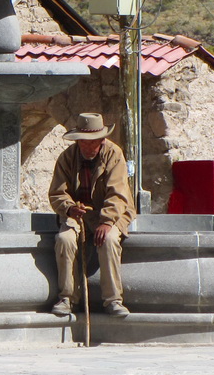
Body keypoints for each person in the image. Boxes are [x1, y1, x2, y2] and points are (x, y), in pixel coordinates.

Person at [48, 113, 136, 317]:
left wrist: (106, 222)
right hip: (80, 213)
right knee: (64, 238)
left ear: (102, 140)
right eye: (83, 142)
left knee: (109, 239)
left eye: (92, 143)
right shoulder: (67, 157)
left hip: (113, 212)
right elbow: (57, 193)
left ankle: (113, 300)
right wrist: (69, 208)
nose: (87, 147)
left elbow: (118, 194)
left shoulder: (114, 155)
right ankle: (68, 297)